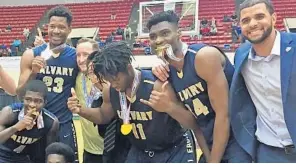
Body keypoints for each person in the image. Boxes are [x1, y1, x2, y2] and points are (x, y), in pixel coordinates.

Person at [67, 41, 208, 163]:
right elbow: (103, 115)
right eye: (109, 79)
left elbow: (192, 123)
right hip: (140, 152)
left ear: (128, 68)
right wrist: (80, 110)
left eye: (116, 78)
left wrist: (170, 107)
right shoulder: (111, 90)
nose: (113, 83)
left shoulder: (156, 85)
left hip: (173, 149)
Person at [148, 11, 251, 163]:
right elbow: (196, 125)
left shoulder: (203, 57)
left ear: (179, 34)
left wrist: (214, 161)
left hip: (238, 135)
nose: (158, 40)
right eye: (153, 36)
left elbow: (224, 115)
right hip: (210, 139)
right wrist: (169, 107)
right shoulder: (167, 75)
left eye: (165, 33)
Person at [230, 0, 296, 163]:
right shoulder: (241, 56)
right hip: (267, 153)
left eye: (259, 16)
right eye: (245, 20)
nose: (253, 24)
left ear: (274, 18)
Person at [16, 5, 79, 162]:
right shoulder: (31, 54)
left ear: (70, 29)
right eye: (52, 26)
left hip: (63, 124)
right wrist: (34, 72)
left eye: (61, 27)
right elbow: (19, 94)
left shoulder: (76, 56)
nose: (56, 31)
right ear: (47, 27)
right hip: (35, 124)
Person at [86, 52, 131, 163]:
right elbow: (102, 118)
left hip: (131, 148)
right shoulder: (97, 99)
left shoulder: (127, 90)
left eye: (101, 72)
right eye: (92, 72)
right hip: (109, 151)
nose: (97, 77)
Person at [0, 80, 59, 163]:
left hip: (25, 159)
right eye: (28, 99)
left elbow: (49, 152)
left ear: (45, 103)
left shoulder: (51, 122)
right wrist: (16, 127)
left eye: (37, 101)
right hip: (2, 156)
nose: (32, 104)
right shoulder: (9, 113)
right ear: (23, 99)